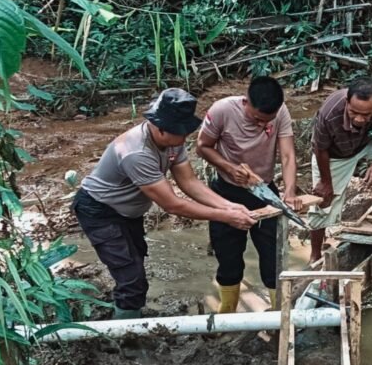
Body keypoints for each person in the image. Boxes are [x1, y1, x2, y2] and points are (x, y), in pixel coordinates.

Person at [72, 88, 257, 319]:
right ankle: (127, 338)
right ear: (160, 128)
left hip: (127, 213)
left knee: (135, 264)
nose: (185, 138)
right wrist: (226, 216)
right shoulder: (136, 153)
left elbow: (189, 182)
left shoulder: (172, 141)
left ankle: (127, 315)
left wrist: (227, 205)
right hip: (99, 211)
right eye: (181, 133)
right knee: (131, 279)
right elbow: (173, 205)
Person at [196, 76, 299, 313]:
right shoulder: (222, 110)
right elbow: (202, 146)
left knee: (274, 258)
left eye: (268, 121)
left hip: (264, 193)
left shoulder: (281, 112)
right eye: (257, 119)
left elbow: (287, 156)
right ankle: (228, 310)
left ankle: (278, 314)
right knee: (229, 257)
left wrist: (290, 192)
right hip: (225, 194)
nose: (263, 125)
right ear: (245, 102)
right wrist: (229, 168)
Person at [308, 76, 372, 263]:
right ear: (347, 101)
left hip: (367, 143)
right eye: (354, 112)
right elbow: (320, 149)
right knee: (324, 202)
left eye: (366, 115)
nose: (359, 119)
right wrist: (326, 182)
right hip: (334, 154)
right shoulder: (330, 112)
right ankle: (315, 254)